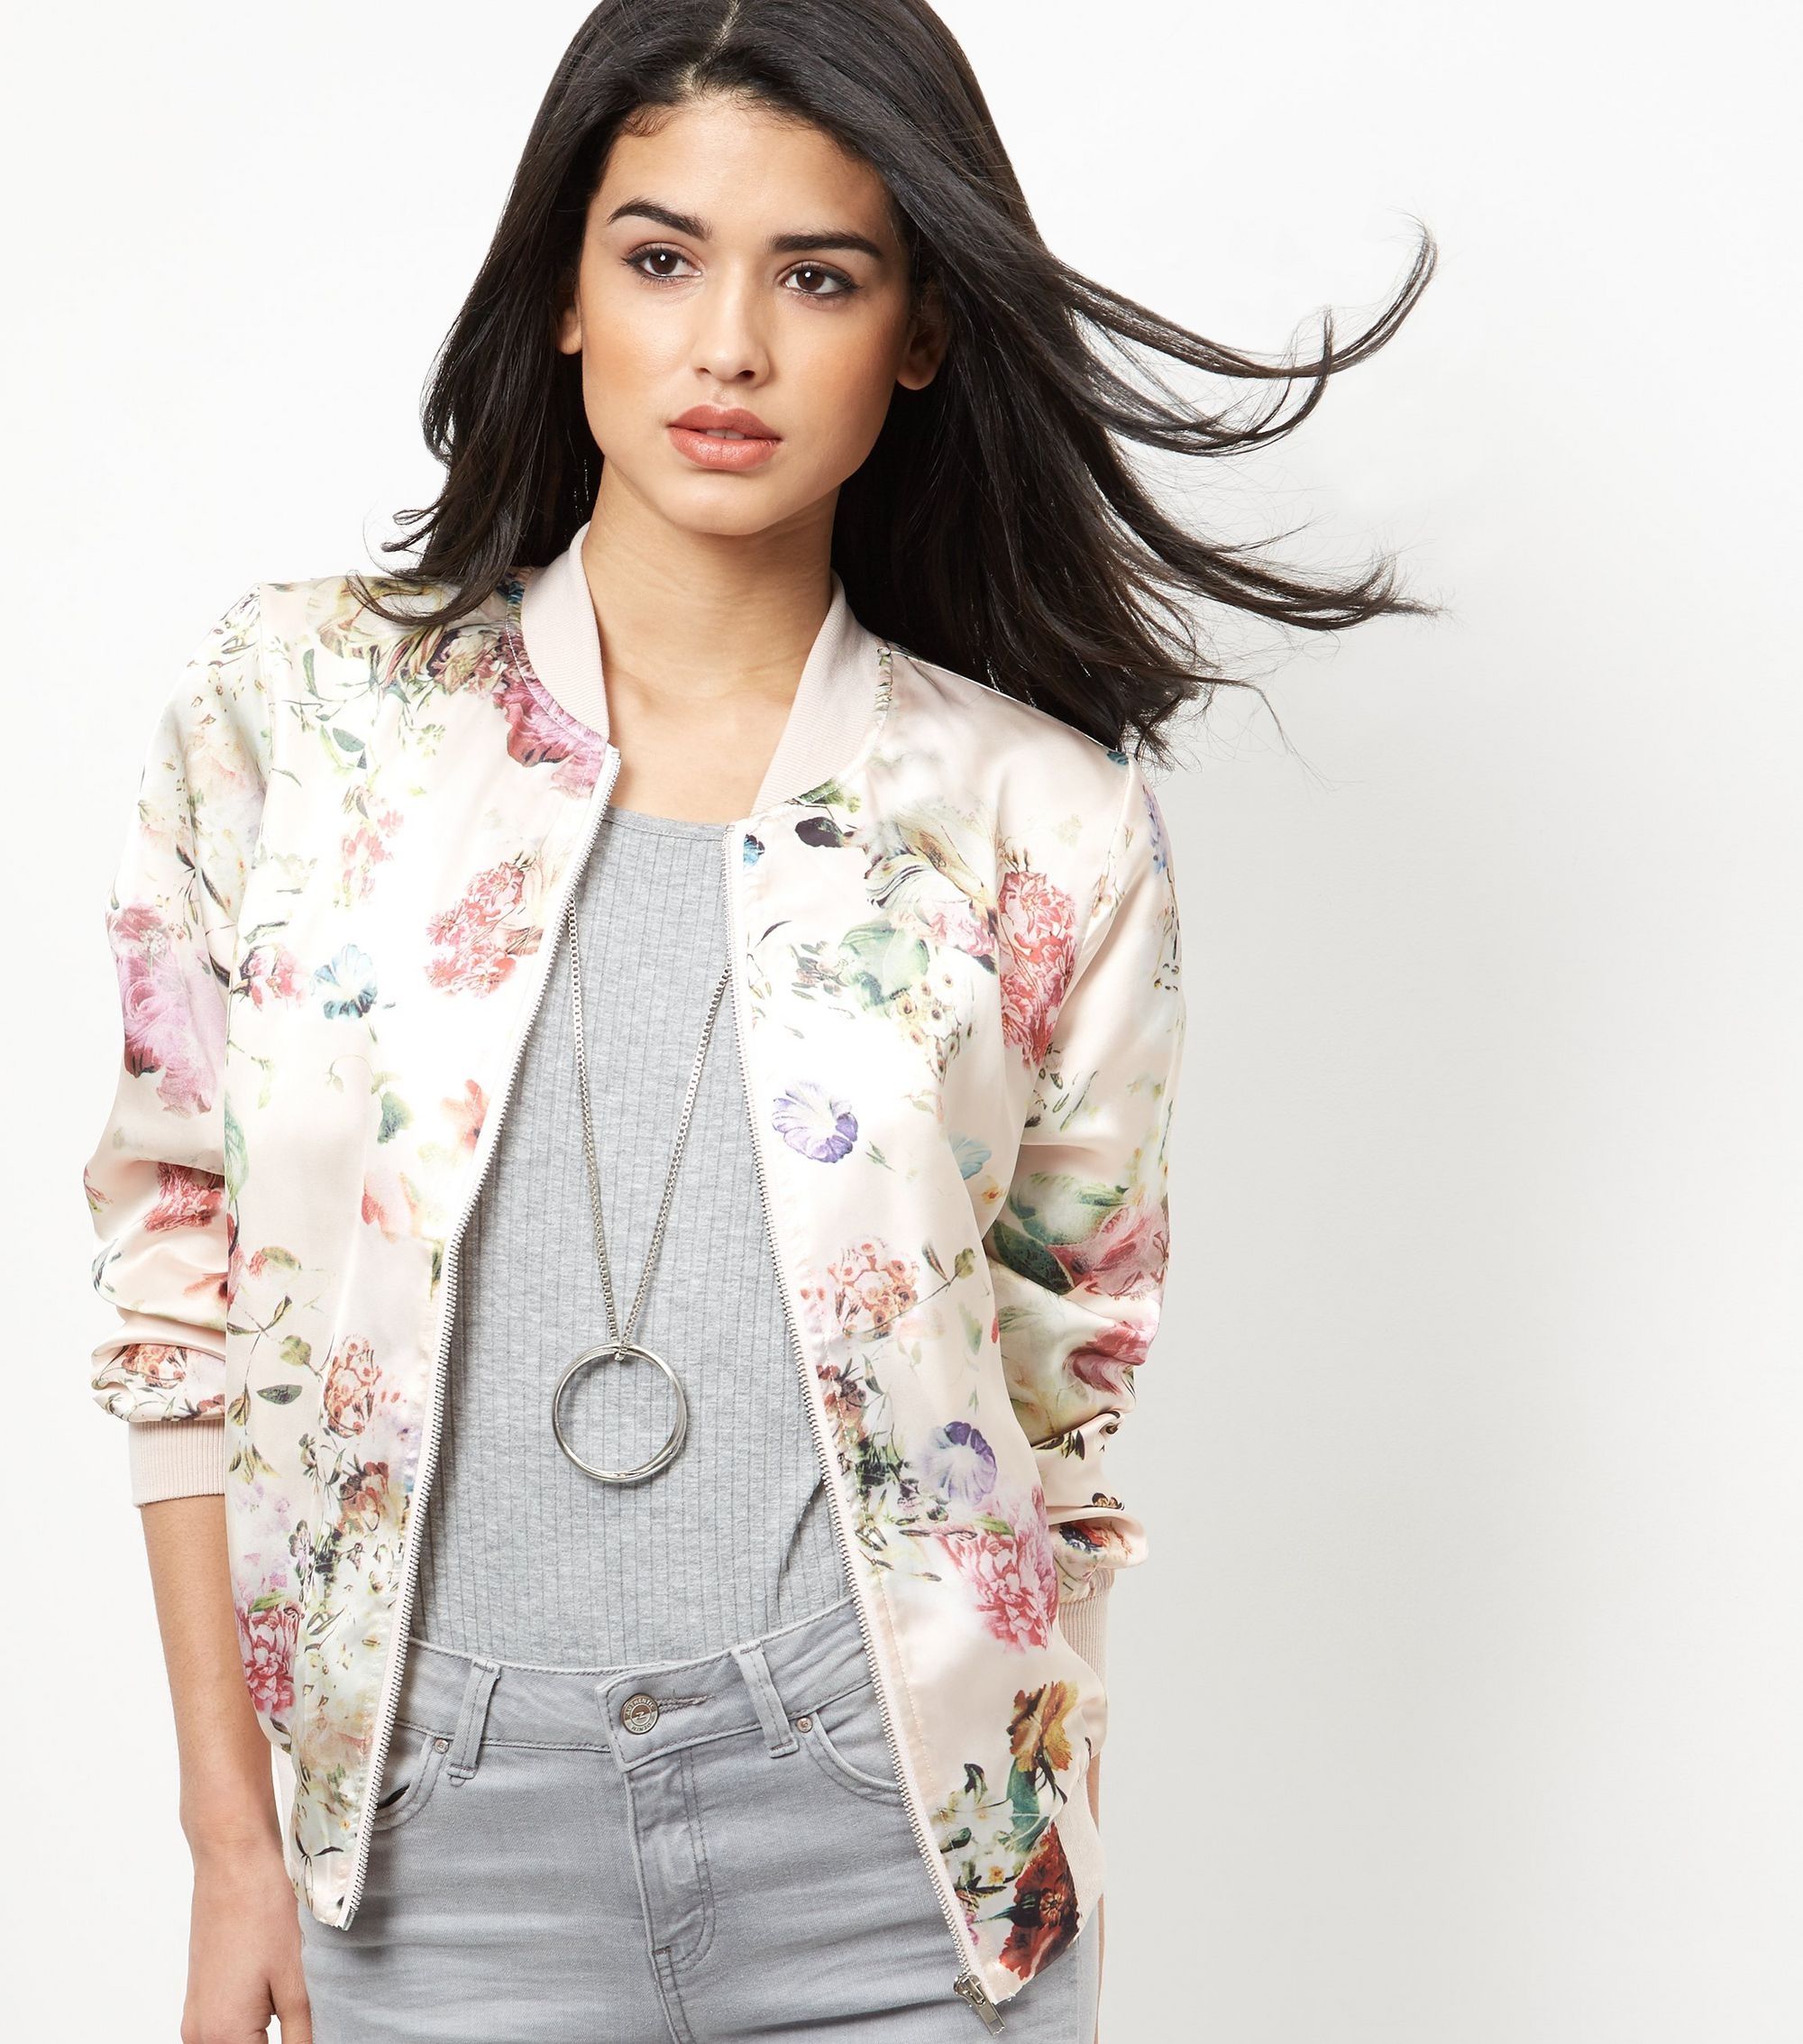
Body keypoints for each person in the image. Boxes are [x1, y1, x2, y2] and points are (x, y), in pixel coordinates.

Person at [80, 4, 1434, 2039]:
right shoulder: (298, 715)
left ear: (918, 332)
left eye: (817, 277)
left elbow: (1059, 1408)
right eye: (660, 257)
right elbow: (173, 1278)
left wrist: (1026, 1852)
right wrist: (229, 1844)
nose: (727, 347)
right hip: (431, 1850)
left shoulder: (1042, 824)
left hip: (891, 1868)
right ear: (563, 291)